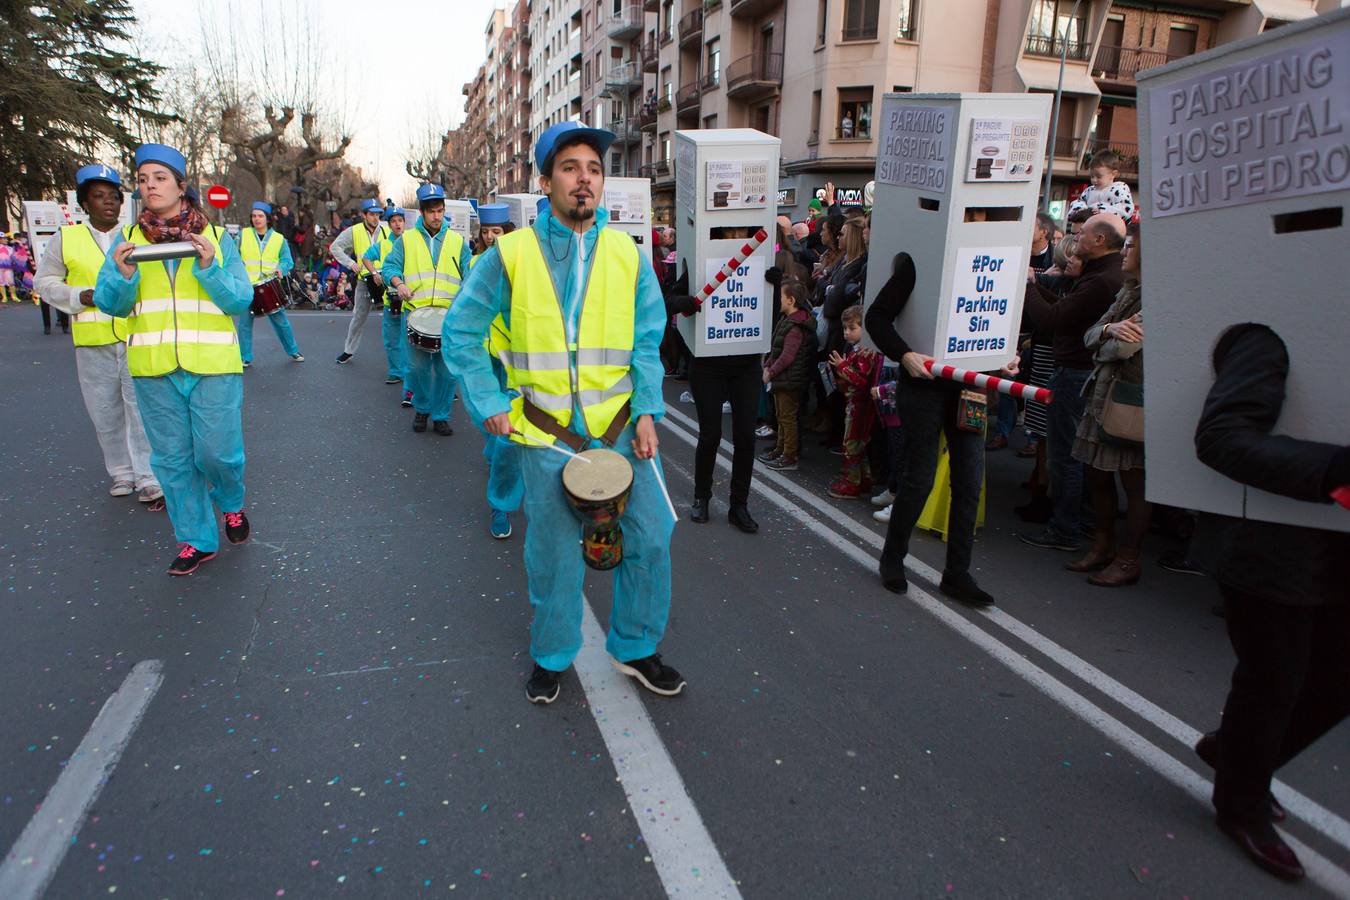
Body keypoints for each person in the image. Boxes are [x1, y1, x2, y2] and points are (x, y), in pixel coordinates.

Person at [445, 120, 683, 705]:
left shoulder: (629, 256)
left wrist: (649, 409)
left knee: (652, 538)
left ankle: (634, 648)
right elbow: (461, 332)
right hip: (545, 436)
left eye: (595, 170)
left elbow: (648, 340)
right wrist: (488, 401)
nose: (585, 180)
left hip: (624, 429)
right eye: (571, 168)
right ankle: (552, 656)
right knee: (553, 558)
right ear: (546, 180)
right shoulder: (510, 254)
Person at [1190, 323, 1350, 883]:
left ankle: (1235, 753)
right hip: (1271, 546)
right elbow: (1221, 436)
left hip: (1336, 553)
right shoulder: (1272, 329)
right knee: (1274, 678)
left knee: (1335, 683)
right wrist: (1334, 470)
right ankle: (1240, 802)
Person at [93, 143, 254, 576]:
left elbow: (241, 298)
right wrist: (124, 279)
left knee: (218, 455)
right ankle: (196, 540)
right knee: (172, 461)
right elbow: (111, 303)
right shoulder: (127, 244)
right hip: (153, 369)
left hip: (214, 366)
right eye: (144, 180)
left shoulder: (217, 239)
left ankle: (232, 504)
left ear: (182, 186)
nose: (150, 187)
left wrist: (208, 267)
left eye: (160, 178)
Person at [865, 250, 1019, 606]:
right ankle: (892, 558)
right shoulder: (921, 261)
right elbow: (876, 317)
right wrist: (904, 354)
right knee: (920, 478)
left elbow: (998, 319)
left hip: (970, 386)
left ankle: (957, 573)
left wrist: (1003, 357)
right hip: (923, 385)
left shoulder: (1000, 257)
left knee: (969, 480)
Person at [35, 163, 163, 506]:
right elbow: (44, 283)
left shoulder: (136, 235)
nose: (108, 203)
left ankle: (148, 475)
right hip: (92, 341)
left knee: (140, 408)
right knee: (104, 411)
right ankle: (121, 472)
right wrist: (79, 296)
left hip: (135, 335)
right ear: (85, 203)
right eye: (98, 197)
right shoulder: (67, 238)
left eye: (113, 197)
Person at [1018, 213, 1126, 553]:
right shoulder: (1100, 276)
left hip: (1075, 371)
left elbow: (1055, 320)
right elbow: (1066, 310)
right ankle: (1080, 521)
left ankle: (1066, 528)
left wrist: (1026, 288)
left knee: (1066, 455)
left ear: (1100, 241)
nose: (1076, 239)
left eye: (1083, 235)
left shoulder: (1100, 281)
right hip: (1078, 369)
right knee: (1074, 454)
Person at [1068, 222, 1147, 586]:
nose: (1125, 253)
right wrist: (1108, 331)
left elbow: (1126, 347)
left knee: (1133, 482)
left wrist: (1106, 339)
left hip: (1129, 400)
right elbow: (1091, 336)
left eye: (1131, 248)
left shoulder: (1156, 296)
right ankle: (1102, 546)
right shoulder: (1126, 292)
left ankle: (1129, 559)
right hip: (1102, 393)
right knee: (1095, 473)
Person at [382, 184, 470, 435]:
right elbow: (390, 267)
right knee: (416, 368)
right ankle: (421, 408)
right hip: (415, 314)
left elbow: (469, 274)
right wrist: (398, 283)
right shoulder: (406, 240)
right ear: (422, 213)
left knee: (446, 370)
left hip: (448, 316)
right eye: (432, 212)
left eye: (440, 211)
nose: (437, 216)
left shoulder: (457, 241)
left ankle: (441, 415)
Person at [462, 202, 522, 540]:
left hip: (521, 359)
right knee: (494, 425)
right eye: (485, 232)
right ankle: (500, 505)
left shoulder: (525, 263)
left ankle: (503, 503)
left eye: (495, 232)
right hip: (486, 356)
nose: (489, 237)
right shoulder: (474, 264)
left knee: (508, 436)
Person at [236, 202, 304, 367]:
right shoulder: (241, 235)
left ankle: (293, 350)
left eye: (260, 216)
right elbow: (233, 258)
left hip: (270, 285)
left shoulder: (279, 239)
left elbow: (287, 261)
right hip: (247, 285)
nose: (257, 219)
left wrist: (281, 269)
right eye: (254, 216)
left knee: (281, 321)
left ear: (267, 218)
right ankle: (245, 357)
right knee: (244, 323)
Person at [759, 279, 816, 471]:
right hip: (784, 378)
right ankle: (781, 449)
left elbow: (787, 356)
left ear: (791, 300)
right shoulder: (788, 320)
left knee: (787, 418)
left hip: (790, 380)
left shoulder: (795, 326)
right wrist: (768, 364)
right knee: (782, 415)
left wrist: (771, 371)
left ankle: (789, 456)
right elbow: (776, 348)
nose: (778, 300)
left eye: (781, 297)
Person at [826, 305, 880, 498]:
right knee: (858, 443)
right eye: (845, 329)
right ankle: (864, 478)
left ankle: (852, 483)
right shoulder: (856, 350)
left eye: (852, 328)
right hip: (853, 402)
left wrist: (843, 367)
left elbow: (862, 381)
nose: (847, 333)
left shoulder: (866, 353)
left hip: (861, 404)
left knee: (851, 443)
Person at [332, 199, 390, 364]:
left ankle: (396, 356)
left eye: (377, 214)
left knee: (394, 317)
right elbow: (334, 247)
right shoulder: (354, 231)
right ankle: (348, 350)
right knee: (359, 317)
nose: (375, 218)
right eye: (371, 214)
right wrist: (351, 263)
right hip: (365, 280)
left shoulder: (386, 230)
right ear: (364, 215)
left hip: (385, 279)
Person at [361, 207, 410, 388]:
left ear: (405, 223)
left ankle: (408, 372)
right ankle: (395, 372)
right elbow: (366, 257)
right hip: (391, 297)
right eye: (394, 221)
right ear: (389, 225)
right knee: (390, 338)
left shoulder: (411, 242)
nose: (397, 224)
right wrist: (374, 272)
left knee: (408, 339)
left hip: (409, 297)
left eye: (400, 220)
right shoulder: (383, 245)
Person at [1068, 151, 1135, 222]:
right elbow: (1079, 201)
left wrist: (1104, 210)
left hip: (1109, 227)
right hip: (1089, 225)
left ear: (1113, 174)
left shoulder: (1120, 189)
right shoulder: (1089, 191)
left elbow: (1126, 208)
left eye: (1099, 177)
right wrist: (1080, 209)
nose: (1094, 180)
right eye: (1092, 176)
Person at [0, 233, 18, 303]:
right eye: (4, 239)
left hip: (8, 267)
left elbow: (13, 258)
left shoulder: (10, 248)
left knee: (11, 281)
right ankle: (4, 297)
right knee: (1, 282)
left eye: (6, 238)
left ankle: (14, 296)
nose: (6, 240)